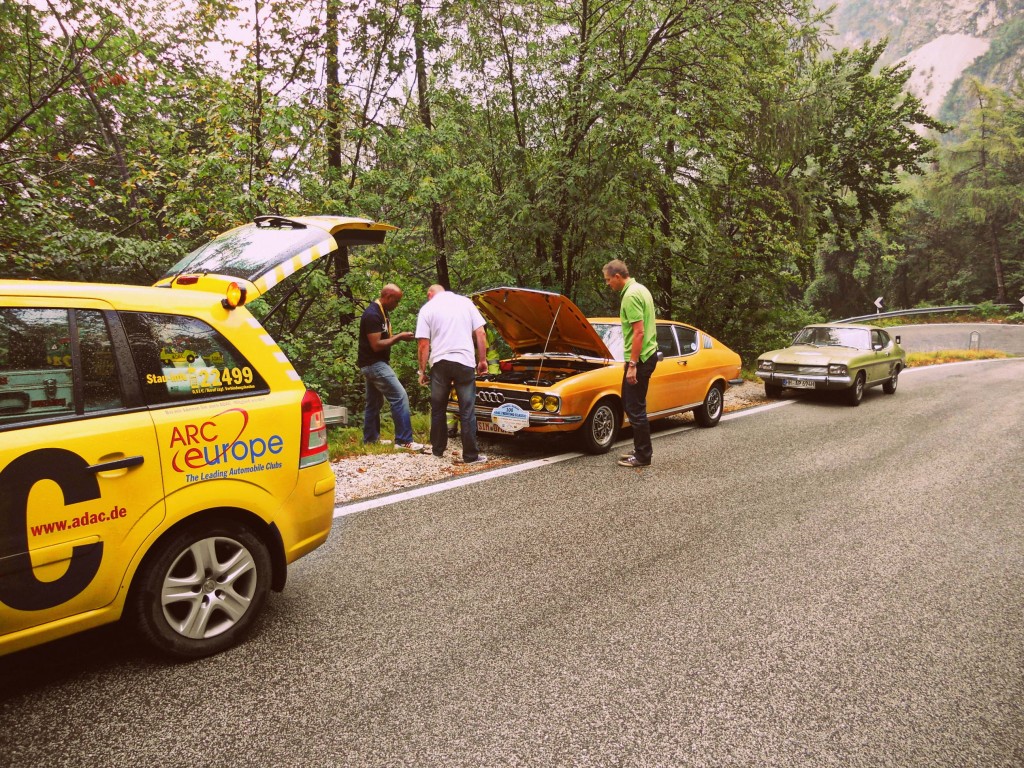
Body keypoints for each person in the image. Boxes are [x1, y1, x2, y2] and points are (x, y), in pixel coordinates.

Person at [415, 284, 488, 464]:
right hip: (464, 362)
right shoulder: (465, 303)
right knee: (467, 410)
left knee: (438, 408)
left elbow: (423, 344)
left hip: (440, 364)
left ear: (430, 294)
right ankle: (470, 456)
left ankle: (438, 450)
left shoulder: (427, 309)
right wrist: (482, 360)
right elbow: (480, 332)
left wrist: (422, 371)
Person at [602, 259, 658, 467]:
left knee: (635, 407)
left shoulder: (631, 296)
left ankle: (643, 456)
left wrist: (632, 364)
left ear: (618, 276)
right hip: (646, 355)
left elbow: (639, 331)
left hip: (640, 359)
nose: (608, 284)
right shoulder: (640, 289)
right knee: (630, 403)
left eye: (608, 280)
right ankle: (639, 449)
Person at [357, 283, 425, 452]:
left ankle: (371, 440)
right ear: (388, 298)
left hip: (372, 364)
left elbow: (381, 339)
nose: (397, 305)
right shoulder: (372, 314)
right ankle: (404, 440)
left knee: (374, 402)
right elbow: (376, 345)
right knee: (399, 397)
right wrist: (399, 337)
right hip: (374, 364)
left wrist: (397, 336)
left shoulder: (382, 312)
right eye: (396, 301)